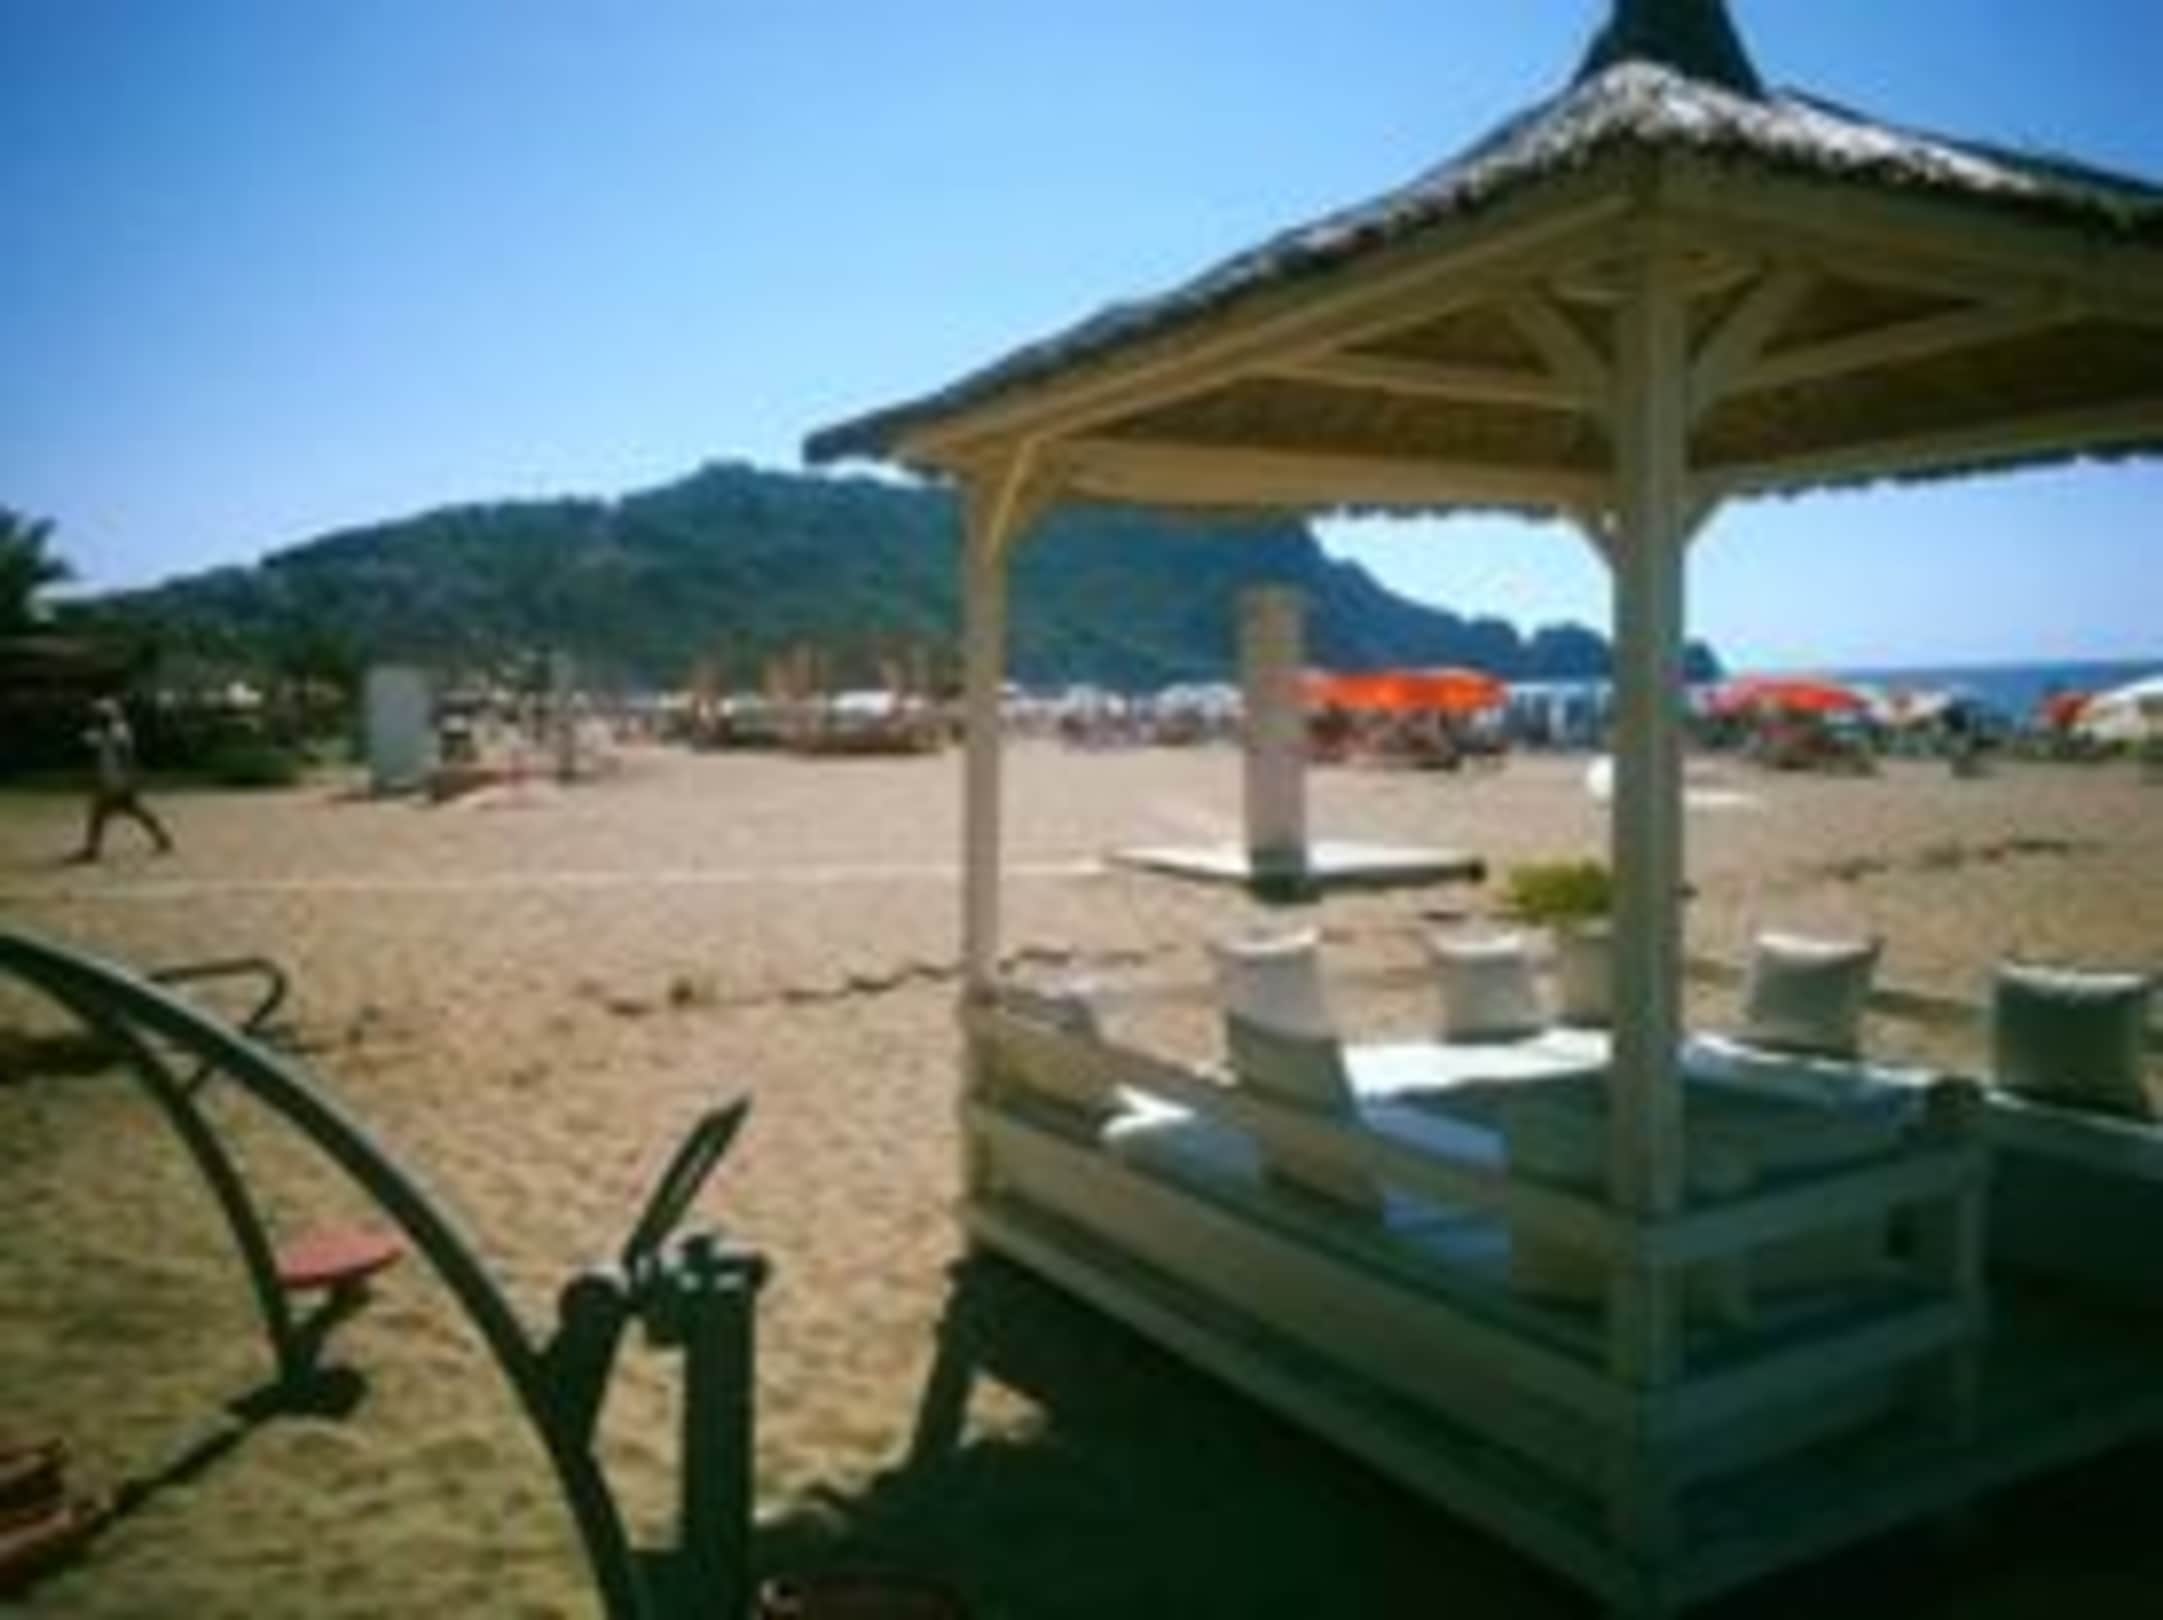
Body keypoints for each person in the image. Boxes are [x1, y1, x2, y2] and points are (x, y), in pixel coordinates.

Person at [71, 697, 173, 862]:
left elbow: (127, 757)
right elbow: (93, 749)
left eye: (101, 716)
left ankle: (92, 849)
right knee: (110, 813)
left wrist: (131, 777)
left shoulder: (119, 733)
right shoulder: (104, 733)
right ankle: (162, 839)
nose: (98, 719)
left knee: (124, 812)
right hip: (111, 780)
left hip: (120, 781)